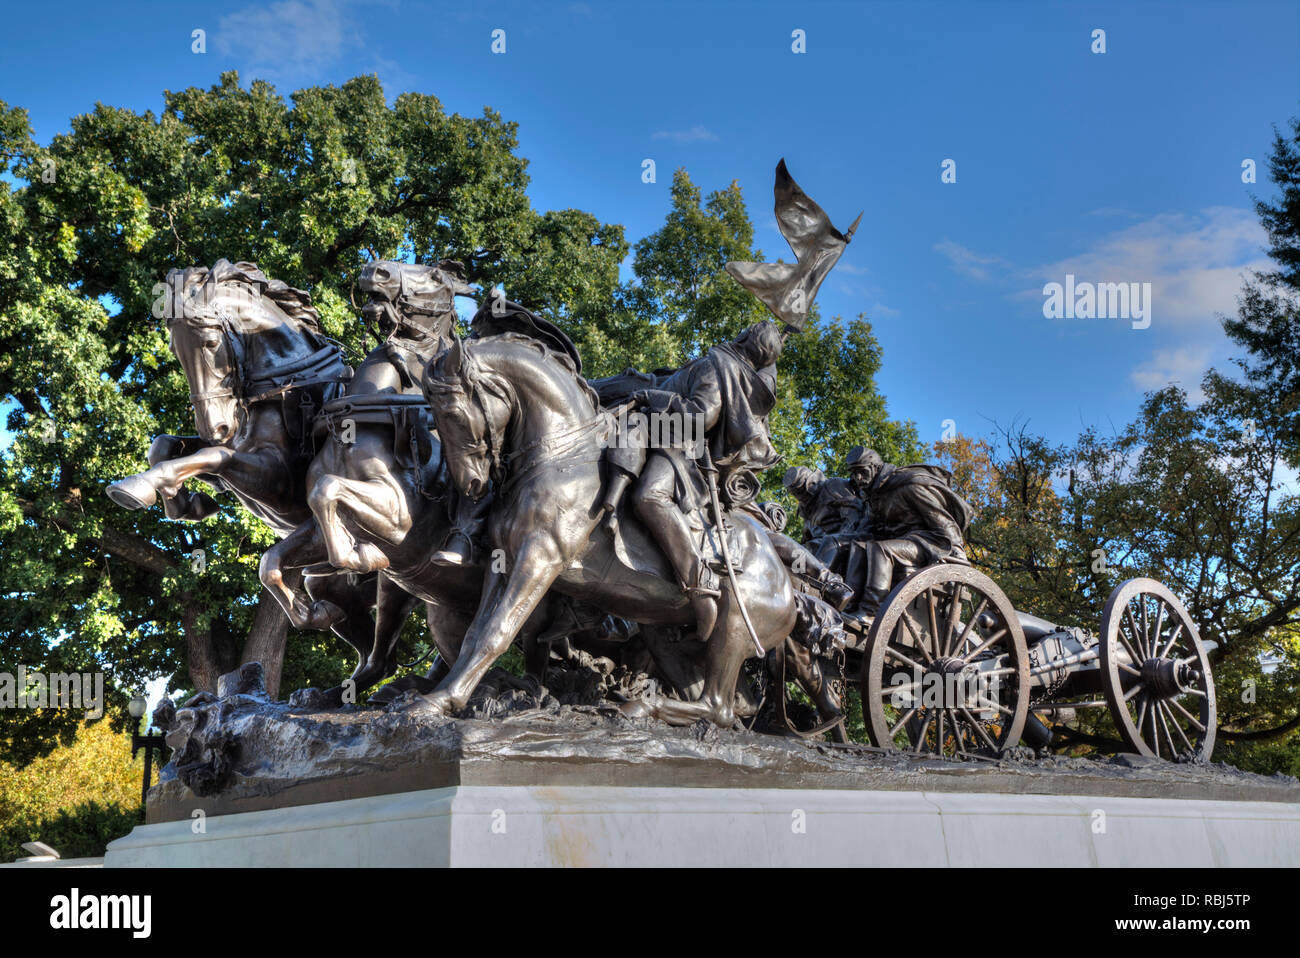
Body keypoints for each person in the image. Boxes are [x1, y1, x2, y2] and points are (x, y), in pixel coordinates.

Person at [627, 321, 785, 632]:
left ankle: (699, 583)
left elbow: (700, 417)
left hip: (676, 447)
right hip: (649, 432)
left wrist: (656, 397)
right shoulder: (720, 363)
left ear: (743, 335)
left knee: (650, 497)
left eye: (748, 328)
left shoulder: (719, 365)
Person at [843, 448, 972, 621]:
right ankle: (848, 607)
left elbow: (943, 521)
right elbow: (867, 530)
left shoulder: (908, 484)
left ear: (875, 467)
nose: (858, 478)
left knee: (880, 550)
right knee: (858, 548)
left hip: (928, 543)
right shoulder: (873, 495)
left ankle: (870, 612)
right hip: (900, 542)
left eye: (862, 471)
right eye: (854, 473)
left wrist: (958, 555)